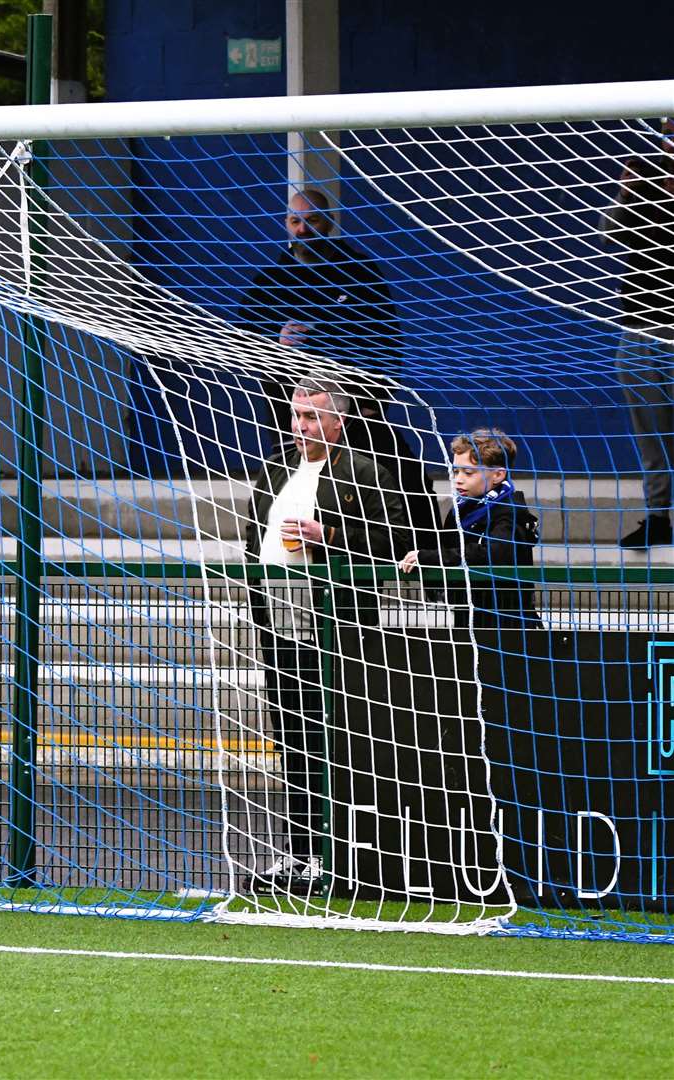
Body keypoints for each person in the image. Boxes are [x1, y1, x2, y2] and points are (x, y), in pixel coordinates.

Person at [243, 377, 411, 893]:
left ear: (338, 421)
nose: (300, 426)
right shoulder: (274, 469)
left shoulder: (365, 473)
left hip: (336, 623)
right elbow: (254, 534)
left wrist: (330, 536)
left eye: (312, 416)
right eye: (296, 415)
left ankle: (338, 853)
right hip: (277, 620)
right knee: (291, 736)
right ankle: (298, 852)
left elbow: (399, 540)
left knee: (335, 738)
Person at [241, 188, 438, 545]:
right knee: (286, 481)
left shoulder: (360, 273)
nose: (302, 230)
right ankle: (266, 557)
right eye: (294, 221)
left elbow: (386, 341)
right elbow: (243, 343)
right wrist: (276, 342)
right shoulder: (270, 281)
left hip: (356, 408)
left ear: (329, 221)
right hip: (294, 411)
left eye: (311, 220)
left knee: (407, 476)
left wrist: (373, 401)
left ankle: (427, 558)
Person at [601, 118, 674, 549]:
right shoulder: (644, 178)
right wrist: (630, 190)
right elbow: (613, 233)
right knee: (652, 436)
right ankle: (658, 516)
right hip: (638, 330)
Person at [398, 430, 541, 630]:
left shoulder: (509, 511)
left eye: (468, 473)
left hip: (507, 622)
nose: (458, 479)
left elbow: (494, 553)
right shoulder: (461, 508)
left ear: (498, 474)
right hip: (468, 615)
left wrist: (430, 557)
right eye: (456, 471)